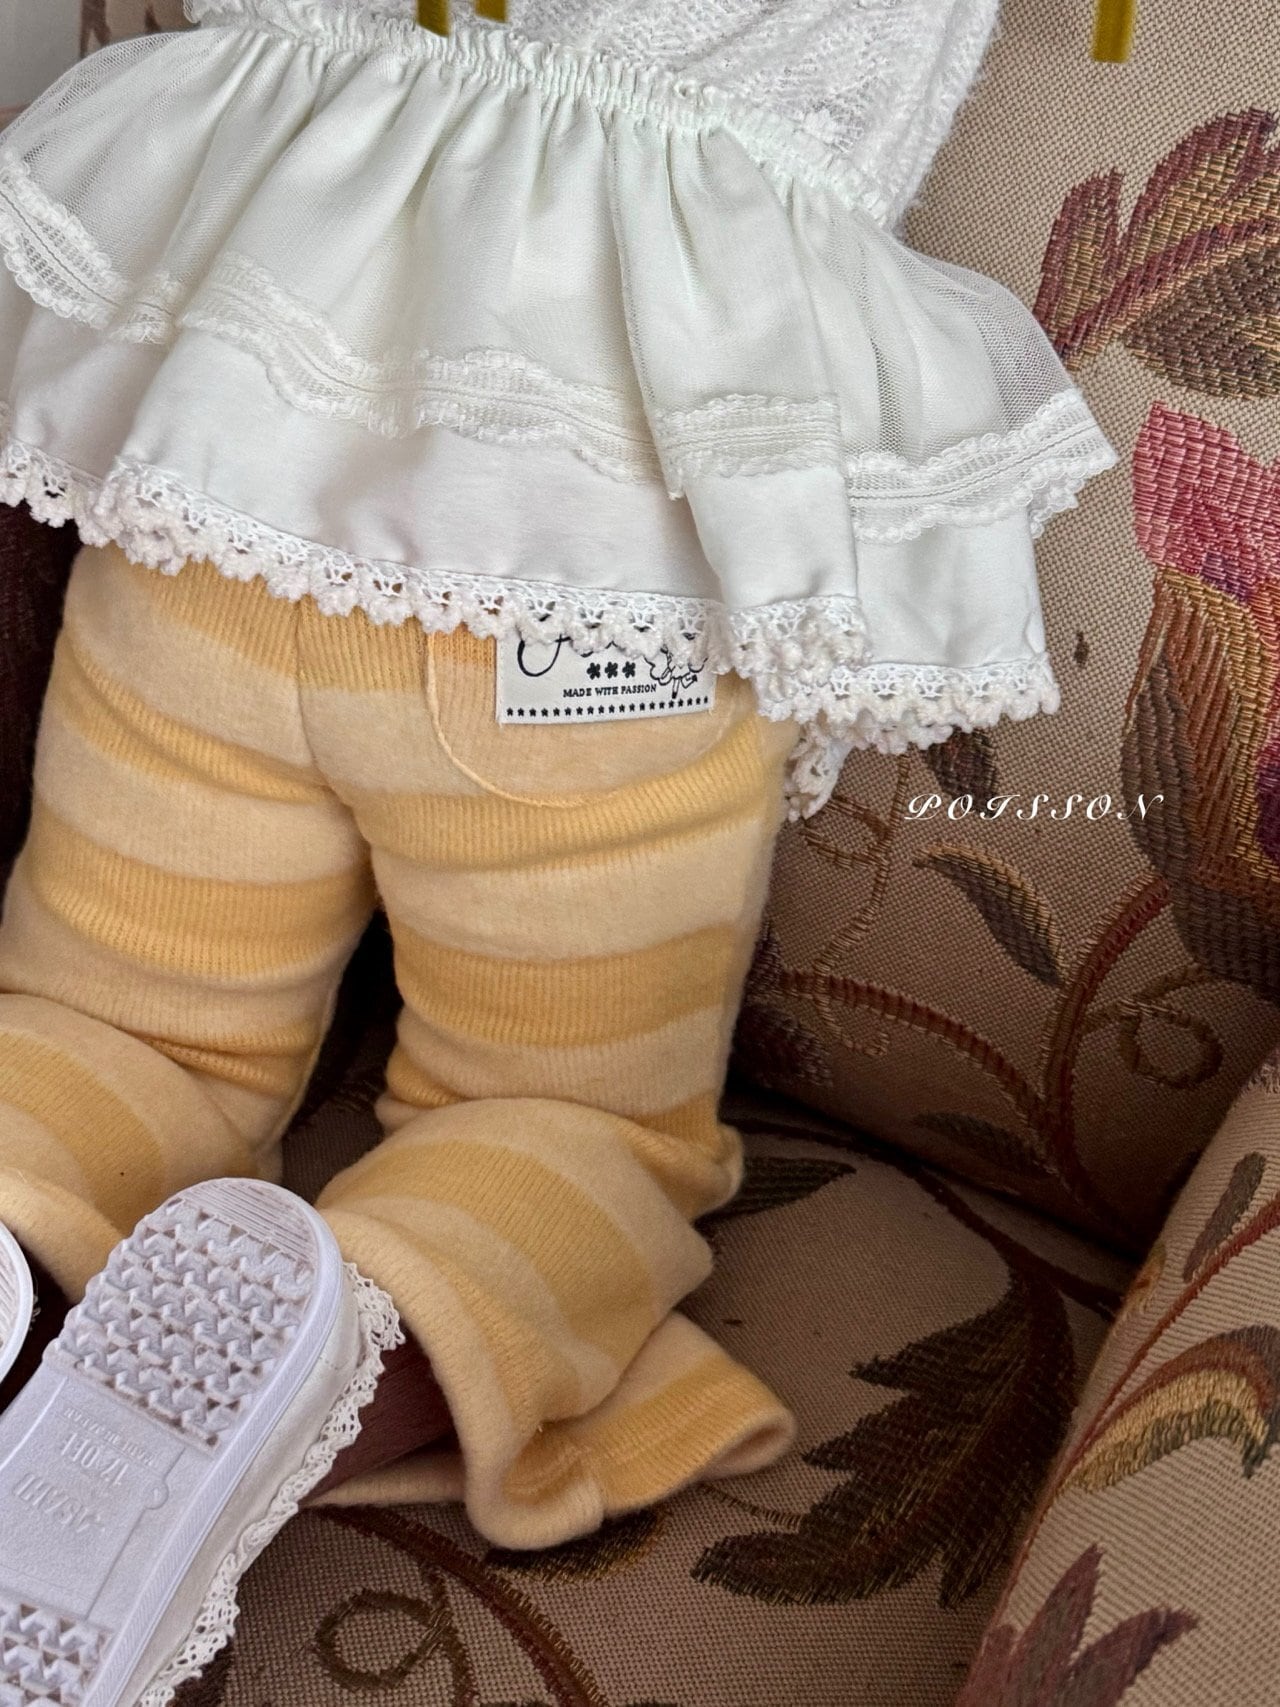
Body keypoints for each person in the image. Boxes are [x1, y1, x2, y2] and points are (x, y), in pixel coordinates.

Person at [0, 0, 1114, 1700]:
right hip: (590, 604)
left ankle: (17, 1236)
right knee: (558, 1122)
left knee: (108, 1018)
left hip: (219, 506)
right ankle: (364, 1337)